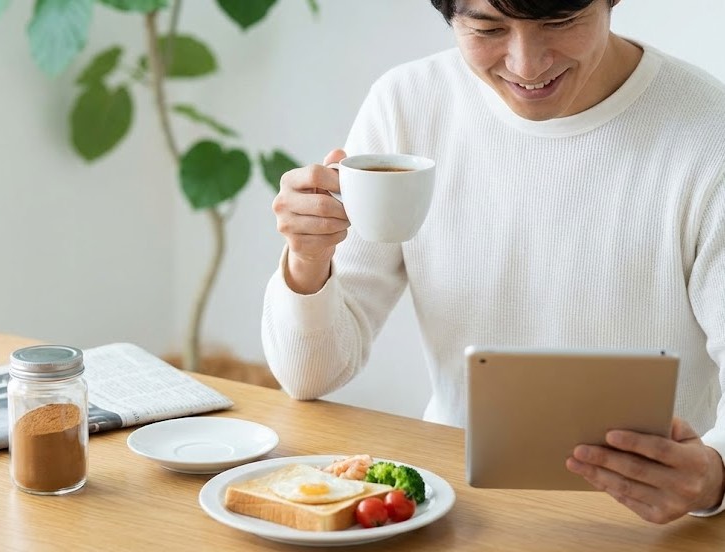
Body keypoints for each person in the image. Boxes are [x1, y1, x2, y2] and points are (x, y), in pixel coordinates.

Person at [261, 0, 725, 523]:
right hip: (453, 501)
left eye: (561, 22)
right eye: (488, 28)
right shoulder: (409, 104)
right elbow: (311, 376)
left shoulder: (708, 131)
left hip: (656, 518)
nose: (527, 66)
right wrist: (308, 259)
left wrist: (715, 474)